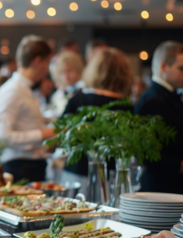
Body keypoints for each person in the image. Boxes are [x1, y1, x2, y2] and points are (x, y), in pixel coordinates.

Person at [62, 48, 133, 185]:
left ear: (93, 70)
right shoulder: (125, 106)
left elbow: (61, 137)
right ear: (124, 73)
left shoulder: (78, 99)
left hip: (76, 172)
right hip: (111, 175)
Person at [0, 35, 55, 182]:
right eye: (47, 63)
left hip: (31, 166)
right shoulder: (13, 90)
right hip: (20, 168)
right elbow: (1, 138)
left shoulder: (26, 89)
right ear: (37, 61)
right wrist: (44, 134)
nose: (47, 70)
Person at [135, 41, 183, 193]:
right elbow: (144, 151)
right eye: (181, 68)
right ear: (163, 67)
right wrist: (180, 165)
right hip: (161, 188)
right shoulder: (153, 100)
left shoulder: (167, 96)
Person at [49, 51, 85, 117]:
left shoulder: (86, 90)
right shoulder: (57, 95)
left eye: (69, 70)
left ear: (78, 69)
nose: (66, 76)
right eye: (62, 72)